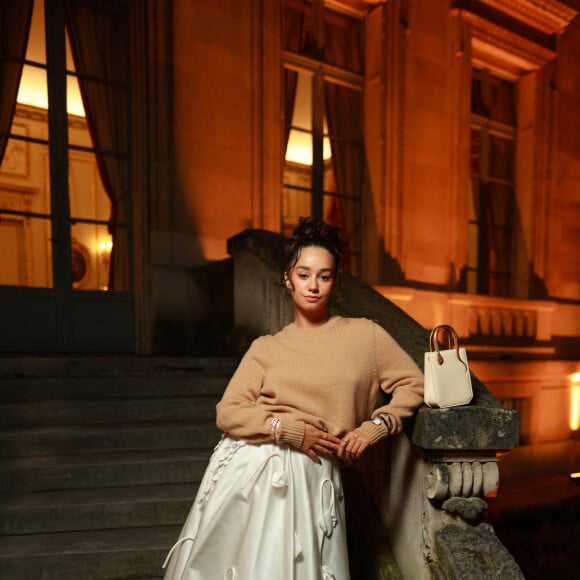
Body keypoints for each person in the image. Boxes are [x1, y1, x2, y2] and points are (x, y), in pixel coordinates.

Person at [162, 217, 424, 580]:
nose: (313, 286)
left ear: (335, 281)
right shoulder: (266, 348)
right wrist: (285, 429)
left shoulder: (367, 336)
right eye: (303, 275)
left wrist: (374, 427)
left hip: (313, 474)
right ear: (287, 279)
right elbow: (228, 413)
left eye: (324, 276)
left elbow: (414, 383)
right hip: (250, 469)